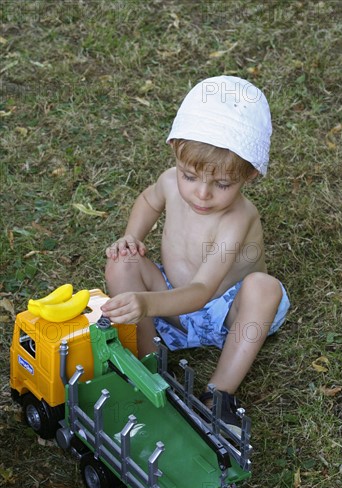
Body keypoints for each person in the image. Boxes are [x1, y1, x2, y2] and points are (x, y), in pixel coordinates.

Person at [102, 75, 290, 433]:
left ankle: (217, 395)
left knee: (264, 288)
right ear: (175, 150)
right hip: (171, 297)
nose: (202, 194)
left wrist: (149, 304)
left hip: (225, 312)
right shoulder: (171, 181)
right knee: (120, 262)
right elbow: (148, 200)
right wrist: (131, 237)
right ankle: (149, 363)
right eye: (190, 176)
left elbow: (204, 288)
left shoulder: (239, 217)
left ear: (249, 174)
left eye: (221, 184)